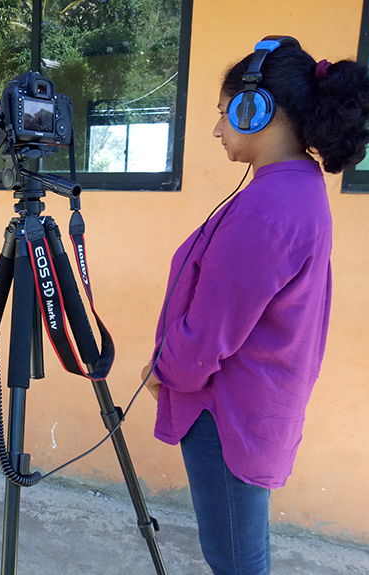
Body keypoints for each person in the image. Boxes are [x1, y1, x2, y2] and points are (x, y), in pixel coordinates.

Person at [142, 37, 369, 574]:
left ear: (255, 107)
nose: (218, 129)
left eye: (224, 113)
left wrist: (165, 371)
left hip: (228, 413)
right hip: (255, 404)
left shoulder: (269, 207)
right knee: (242, 552)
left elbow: (209, 334)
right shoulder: (297, 189)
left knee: (237, 560)